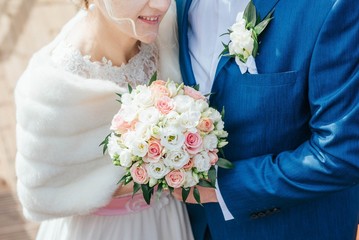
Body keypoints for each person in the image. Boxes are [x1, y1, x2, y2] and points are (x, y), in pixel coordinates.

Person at [175, 0, 359, 239]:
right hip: (188, 227)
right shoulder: (173, 5)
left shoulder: (333, 6)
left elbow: (342, 154)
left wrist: (221, 189)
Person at [15, 0, 193, 239]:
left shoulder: (164, 31)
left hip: (169, 219)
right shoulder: (57, 85)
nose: (162, 5)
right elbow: (43, 188)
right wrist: (161, 164)